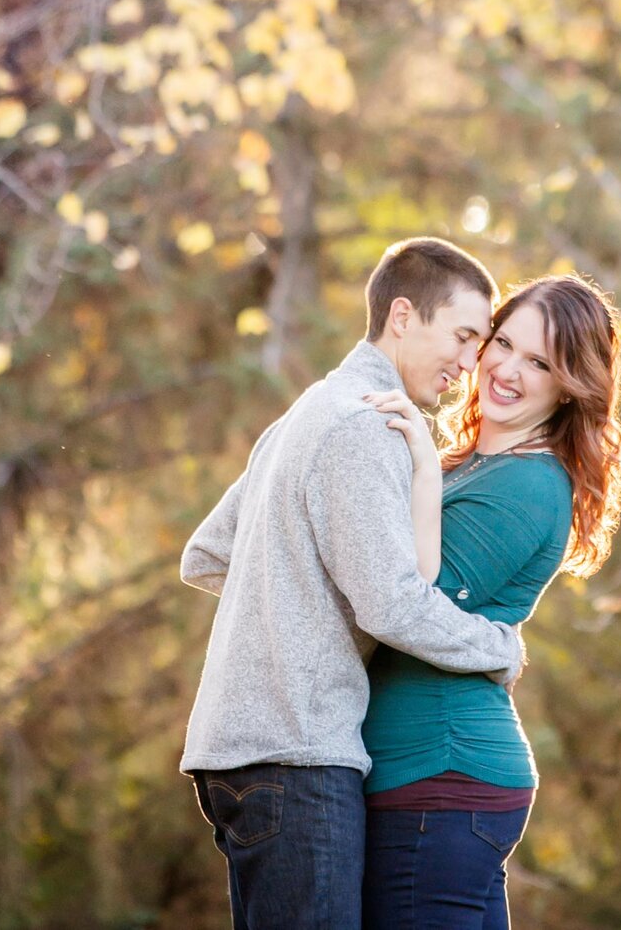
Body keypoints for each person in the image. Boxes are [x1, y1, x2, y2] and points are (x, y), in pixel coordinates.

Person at [178, 237, 529, 930]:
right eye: (461, 337)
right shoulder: (367, 426)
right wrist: (499, 648)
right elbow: (394, 603)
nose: (469, 364)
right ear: (402, 316)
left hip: (245, 756)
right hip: (298, 757)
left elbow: (209, 554)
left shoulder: (308, 412)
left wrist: (294, 607)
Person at [360, 273, 621, 929]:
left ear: (571, 384)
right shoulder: (477, 462)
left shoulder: (528, 485)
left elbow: (410, 604)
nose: (508, 369)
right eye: (501, 343)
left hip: (439, 777)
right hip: (441, 783)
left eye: (539, 362)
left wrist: (424, 466)